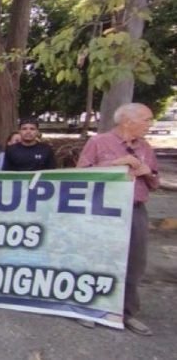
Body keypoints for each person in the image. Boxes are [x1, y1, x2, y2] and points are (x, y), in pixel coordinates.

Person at [77, 103, 160, 336]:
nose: (149, 124)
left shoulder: (145, 147)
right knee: (98, 259)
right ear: (127, 121)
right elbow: (80, 175)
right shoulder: (98, 142)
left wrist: (146, 171)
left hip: (135, 210)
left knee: (134, 263)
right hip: (104, 211)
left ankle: (127, 313)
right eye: (146, 119)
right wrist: (113, 165)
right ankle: (91, 308)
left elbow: (155, 182)